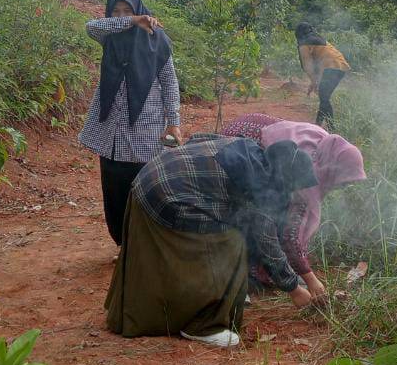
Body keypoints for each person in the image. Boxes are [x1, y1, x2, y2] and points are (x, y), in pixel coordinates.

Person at [105, 137, 317, 347]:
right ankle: (204, 325)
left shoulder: (251, 150)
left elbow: (197, 139)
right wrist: (295, 290)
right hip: (165, 194)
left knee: (234, 227)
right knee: (232, 242)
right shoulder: (257, 185)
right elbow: (268, 247)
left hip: (149, 177)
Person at [79, 0, 182, 246]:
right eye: (117, 11)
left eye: (129, 10)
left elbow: (169, 82)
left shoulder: (157, 40)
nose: (121, 15)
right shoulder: (109, 36)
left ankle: (145, 246)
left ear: (140, 8)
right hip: (112, 131)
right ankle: (123, 244)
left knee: (146, 188)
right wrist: (132, 21)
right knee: (114, 191)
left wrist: (174, 122)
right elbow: (91, 26)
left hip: (145, 129)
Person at [221, 115, 366, 299]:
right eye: (344, 181)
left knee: (266, 212)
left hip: (247, 132)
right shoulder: (305, 169)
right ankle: (248, 272)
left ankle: (260, 266)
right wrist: (307, 278)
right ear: (335, 169)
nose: (343, 186)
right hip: (239, 145)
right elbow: (290, 233)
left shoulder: (326, 146)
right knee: (254, 212)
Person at [295, 22, 350, 126]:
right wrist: (314, 82)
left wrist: (314, 82)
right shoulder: (319, 39)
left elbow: (308, 65)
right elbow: (321, 62)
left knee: (324, 98)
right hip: (341, 66)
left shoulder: (304, 43)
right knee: (324, 97)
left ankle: (331, 128)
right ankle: (318, 125)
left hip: (331, 67)